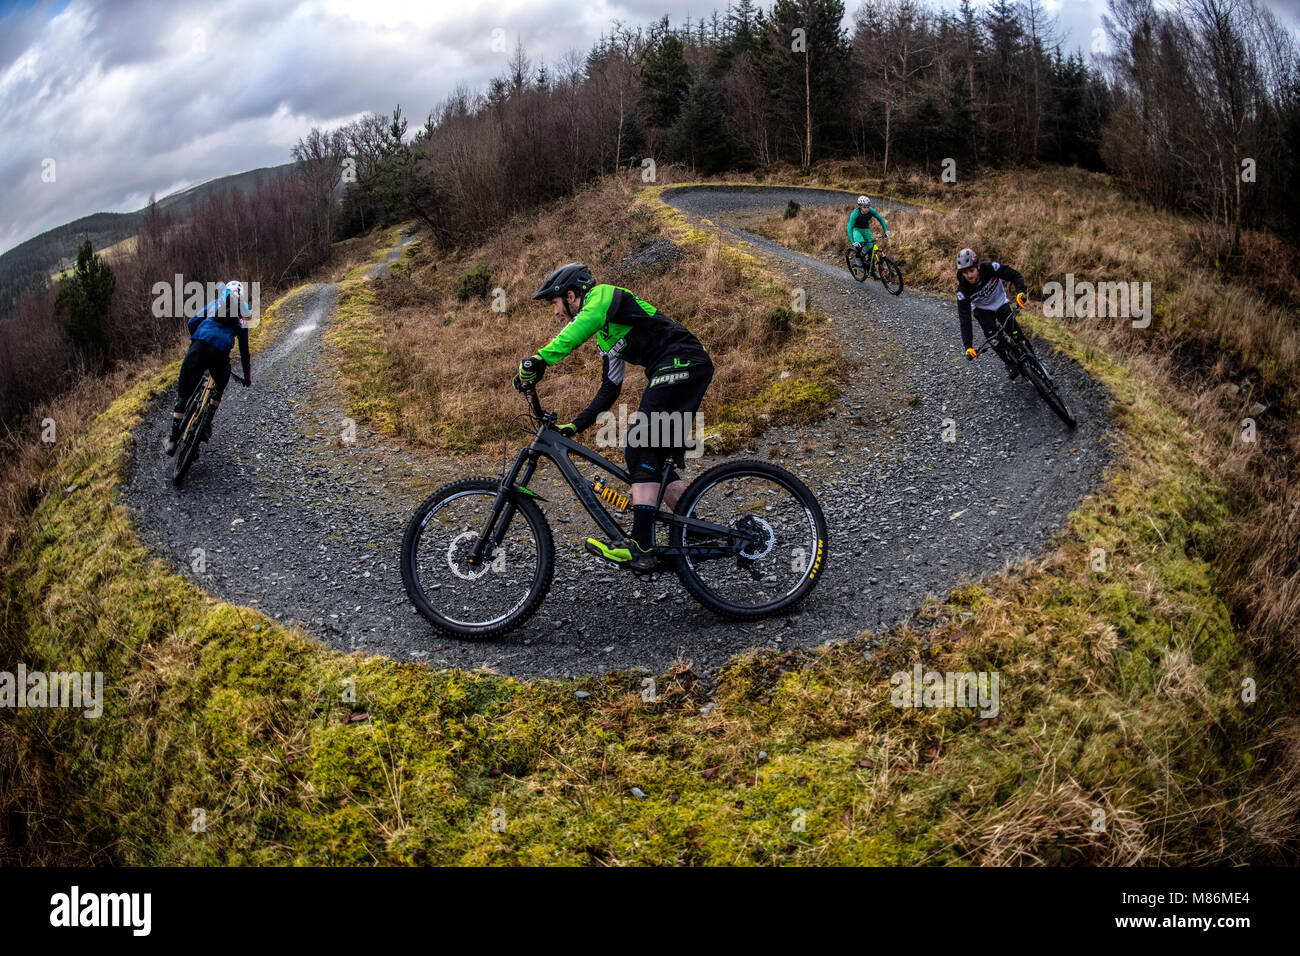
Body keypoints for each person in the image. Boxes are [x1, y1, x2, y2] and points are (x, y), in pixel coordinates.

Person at [516, 263, 713, 572]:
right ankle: (696, 527)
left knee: (639, 442)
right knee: (643, 458)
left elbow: (583, 324)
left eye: (555, 303)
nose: (556, 312)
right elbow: (609, 389)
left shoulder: (604, 296)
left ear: (570, 295)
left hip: (683, 360)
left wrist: (541, 359)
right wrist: (575, 425)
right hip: (674, 368)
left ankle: (641, 547)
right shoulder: (607, 339)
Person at [164, 280, 251, 455]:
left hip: (198, 347)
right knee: (219, 387)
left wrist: (196, 341)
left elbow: (192, 322)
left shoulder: (214, 305)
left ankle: (172, 440)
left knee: (183, 396)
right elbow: (244, 351)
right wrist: (247, 377)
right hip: (219, 355)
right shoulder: (241, 320)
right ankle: (205, 424)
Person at [956, 248, 1029, 379]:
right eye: (965, 272)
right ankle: (1008, 363)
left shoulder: (991, 268)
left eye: (971, 270)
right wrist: (968, 346)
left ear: (978, 266)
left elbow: (1015, 275)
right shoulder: (963, 290)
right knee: (994, 339)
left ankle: (1036, 361)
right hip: (983, 310)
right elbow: (964, 319)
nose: (969, 275)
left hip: (1000, 303)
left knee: (1016, 333)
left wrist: (1021, 292)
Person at [847, 195, 890, 277]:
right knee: (860, 244)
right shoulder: (855, 214)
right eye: (865, 207)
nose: (867, 209)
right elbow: (850, 227)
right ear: (860, 207)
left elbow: (880, 218)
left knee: (872, 251)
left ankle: (872, 272)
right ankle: (858, 262)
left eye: (868, 206)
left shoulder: (871, 211)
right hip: (856, 229)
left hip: (865, 229)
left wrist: (886, 230)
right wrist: (853, 242)